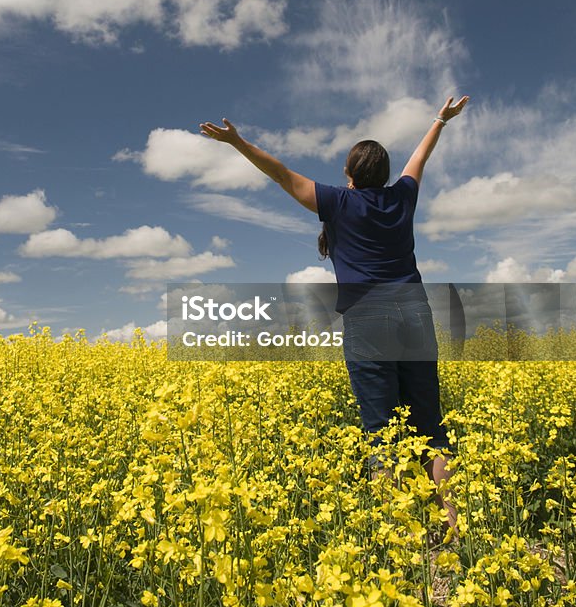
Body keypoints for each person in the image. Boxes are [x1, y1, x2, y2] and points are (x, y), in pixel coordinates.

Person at [200, 95, 469, 535]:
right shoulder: (402, 198)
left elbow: (281, 173)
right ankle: (452, 528)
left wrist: (237, 143)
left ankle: (398, 536)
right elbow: (419, 159)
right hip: (415, 316)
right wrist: (439, 120)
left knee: (383, 434)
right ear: (384, 175)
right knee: (430, 427)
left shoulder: (339, 204)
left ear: (349, 176)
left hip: (369, 319)